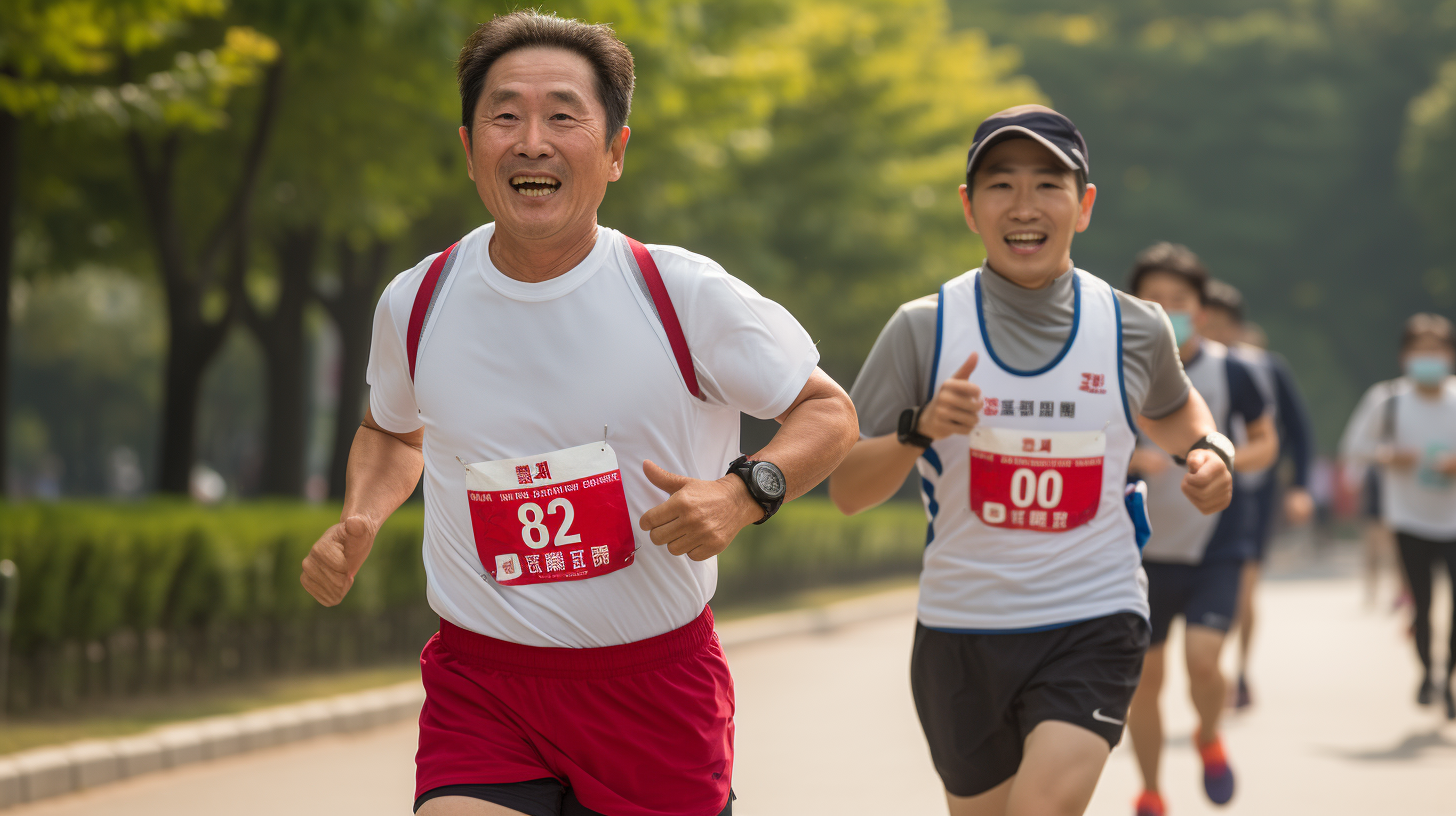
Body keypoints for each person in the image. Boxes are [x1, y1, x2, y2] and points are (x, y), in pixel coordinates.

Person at [299, 12, 859, 816]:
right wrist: (360, 516)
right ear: (469, 150)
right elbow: (391, 428)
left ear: (615, 153)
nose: (532, 141)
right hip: (483, 684)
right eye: (505, 115)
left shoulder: (682, 293)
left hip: (653, 690)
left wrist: (745, 492)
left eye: (563, 116)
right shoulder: (417, 302)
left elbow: (829, 412)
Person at [828, 105, 1234, 816]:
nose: (1024, 206)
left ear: (1084, 206)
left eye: (1049, 184)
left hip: (1094, 617)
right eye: (1000, 185)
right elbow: (849, 491)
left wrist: (1210, 452)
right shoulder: (924, 328)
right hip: (961, 632)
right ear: (968, 206)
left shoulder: (1132, 326)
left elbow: (1180, 415)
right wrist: (917, 430)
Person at [1124, 245, 1277, 816]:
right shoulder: (1110, 369)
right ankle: (1151, 790)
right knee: (1146, 681)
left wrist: (1223, 459)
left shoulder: (1236, 370)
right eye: (1152, 301)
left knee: (1206, 663)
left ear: (1202, 312)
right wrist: (1133, 462)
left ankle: (1208, 734)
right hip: (1141, 549)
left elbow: (1267, 441)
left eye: (1179, 302)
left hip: (1218, 543)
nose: (1166, 311)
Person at [1200, 279, 1316, 709]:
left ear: (1234, 326)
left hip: (1252, 492)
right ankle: (1214, 667)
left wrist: (1300, 487)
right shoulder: (1174, 366)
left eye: (1218, 323)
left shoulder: (1263, 368)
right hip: (1192, 492)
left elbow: (1298, 431)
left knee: (1243, 587)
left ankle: (1240, 670)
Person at [1342, 313, 1456, 720]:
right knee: (1422, 604)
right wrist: (1387, 456)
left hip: (1453, 518)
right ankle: (1429, 671)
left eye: (1437, 349)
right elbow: (1354, 448)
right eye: (1420, 349)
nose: (1429, 357)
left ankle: (1449, 677)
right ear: (1405, 356)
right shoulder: (1387, 400)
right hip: (1409, 518)